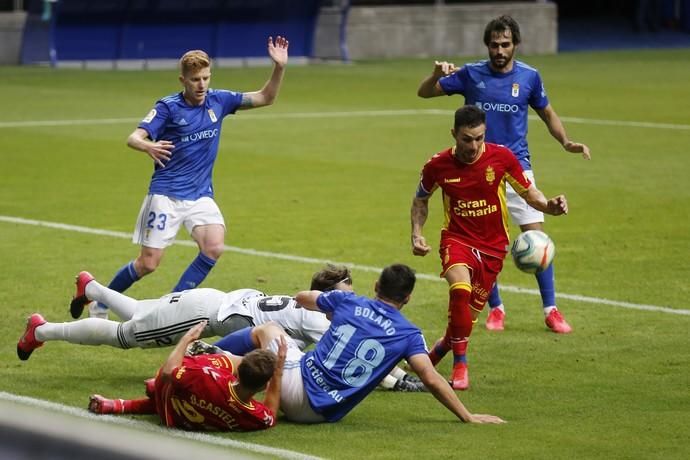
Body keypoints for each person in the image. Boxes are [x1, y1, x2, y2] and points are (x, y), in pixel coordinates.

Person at [86, 36, 289, 319]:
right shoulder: (168, 107)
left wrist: (279, 67)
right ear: (183, 80)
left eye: (206, 77)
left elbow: (266, 97)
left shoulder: (220, 100)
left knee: (214, 246)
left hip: (200, 195)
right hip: (166, 195)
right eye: (195, 79)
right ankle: (100, 300)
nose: (202, 84)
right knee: (148, 264)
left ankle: (171, 306)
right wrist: (148, 145)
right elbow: (134, 137)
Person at [417, 15, 589, 333]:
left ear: (515, 45)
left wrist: (566, 142)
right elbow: (424, 93)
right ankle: (496, 308)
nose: (499, 50)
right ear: (487, 45)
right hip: (477, 169)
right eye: (494, 44)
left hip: (515, 167)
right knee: (482, 241)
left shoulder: (529, 77)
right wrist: (434, 75)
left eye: (505, 44)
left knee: (536, 236)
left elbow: (547, 112)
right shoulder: (470, 74)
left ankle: (551, 309)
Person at [16, 266, 422, 391]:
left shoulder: (315, 308)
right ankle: (42, 330)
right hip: (204, 314)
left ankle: (91, 287)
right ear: (329, 296)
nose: (354, 302)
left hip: (212, 302)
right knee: (124, 336)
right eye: (346, 293)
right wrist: (402, 381)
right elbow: (359, 356)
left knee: (140, 312)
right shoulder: (320, 320)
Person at [218, 264, 505, 424]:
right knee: (280, 349)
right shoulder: (409, 334)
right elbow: (430, 377)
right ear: (407, 299)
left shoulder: (348, 300)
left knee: (269, 330)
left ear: (376, 288)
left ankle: (214, 354)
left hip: (295, 384)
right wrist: (467, 415)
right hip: (320, 414)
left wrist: (325, 304)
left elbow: (302, 298)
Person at [410, 105, 568, 390]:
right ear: (454, 135)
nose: (473, 146)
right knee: (460, 290)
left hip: (494, 247)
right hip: (457, 239)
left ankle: (437, 351)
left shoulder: (502, 158)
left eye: (479, 138)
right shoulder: (437, 165)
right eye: (466, 139)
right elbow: (421, 200)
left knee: (464, 321)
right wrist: (416, 233)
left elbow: (528, 193)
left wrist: (549, 207)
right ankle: (461, 366)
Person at [87, 321, 286, 432]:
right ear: (262, 388)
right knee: (206, 375)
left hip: (170, 395)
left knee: (213, 358)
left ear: (240, 372)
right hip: (181, 417)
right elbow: (270, 414)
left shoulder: (205, 377)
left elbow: (168, 371)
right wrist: (277, 373)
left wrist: (187, 338)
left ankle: (150, 390)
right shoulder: (255, 416)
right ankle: (121, 404)